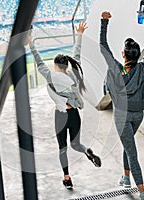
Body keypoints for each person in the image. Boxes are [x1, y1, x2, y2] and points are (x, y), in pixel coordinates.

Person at [28, 21, 101, 190]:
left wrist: (32, 45)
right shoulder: (73, 74)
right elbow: (76, 54)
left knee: (63, 148)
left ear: (55, 65)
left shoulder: (50, 76)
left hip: (61, 115)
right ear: (67, 65)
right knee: (76, 144)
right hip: (74, 114)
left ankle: (67, 178)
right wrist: (80, 34)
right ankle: (87, 151)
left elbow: (39, 62)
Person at [99, 10, 144, 200]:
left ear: (123, 54)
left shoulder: (116, 69)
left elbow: (103, 46)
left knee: (132, 152)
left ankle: (142, 192)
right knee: (128, 144)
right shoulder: (142, 68)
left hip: (122, 116)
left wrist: (104, 22)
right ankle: (125, 178)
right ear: (136, 55)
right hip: (138, 115)